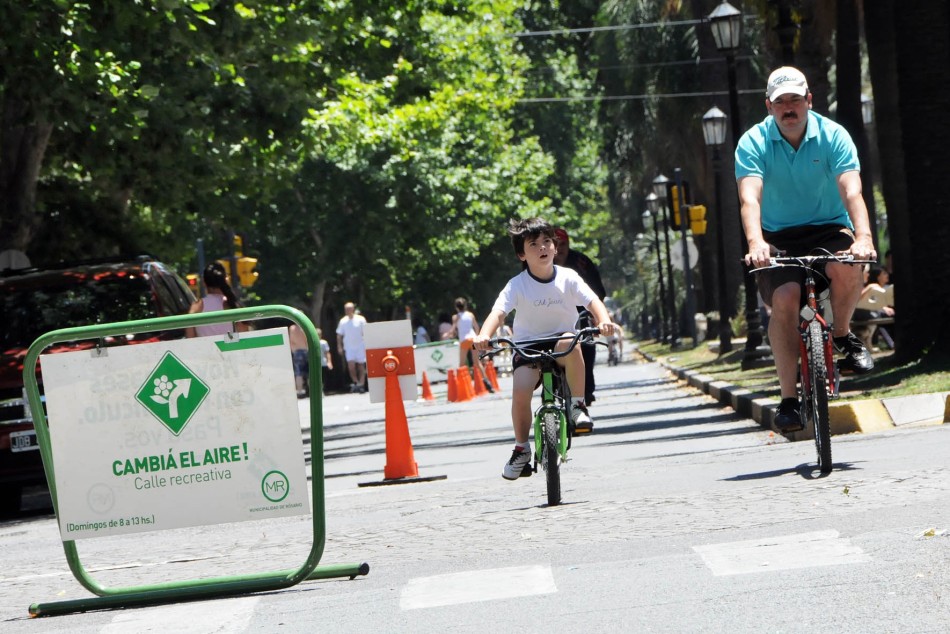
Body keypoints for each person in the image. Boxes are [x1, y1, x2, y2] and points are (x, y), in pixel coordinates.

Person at [736, 66, 876, 434]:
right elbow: (750, 199)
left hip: (829, 227)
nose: (788, 108)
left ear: (809, 100)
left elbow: (852, 191)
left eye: (795, 99)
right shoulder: (752, 142)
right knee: (784, 297)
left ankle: (843, 335)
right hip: (776, 236)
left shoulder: (834, 136)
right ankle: (788, 400)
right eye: (780, 101)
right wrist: (756, 244)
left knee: (848, 267)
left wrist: (863, 237)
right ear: (768, 106)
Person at [474, 217, 615, 480]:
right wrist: (484, 334)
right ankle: (521, 448)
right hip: (528, 346)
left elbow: (592, 300)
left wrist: (604, 320)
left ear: (555, 246)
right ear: (521, 254)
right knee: (521, 387)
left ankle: (577, 407)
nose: (543, 248)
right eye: (534, 244)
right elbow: (498, 313)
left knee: (571, 343)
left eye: (547, 242)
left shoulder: (569, 277)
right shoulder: (517, 284)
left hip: (562, 339)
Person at [553, 228, 606, 406]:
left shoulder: (581, 262)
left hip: (580, 313)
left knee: (587, 344)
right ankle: (551, 388)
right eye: (555, 245)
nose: (559, 250)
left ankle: (585, 391)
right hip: (550, 316)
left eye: (563, 245)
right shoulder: (538, 263)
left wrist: (598, 316)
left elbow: (596, 292)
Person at [185, 262, 249, 338]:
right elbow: (244, 335)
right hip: (229, 348)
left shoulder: (197, 307)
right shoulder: (231, 304)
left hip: (205, 348)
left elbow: (190, 337)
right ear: (225, 280)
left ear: (204, 283)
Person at [451, 297, 493, 393]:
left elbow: (453, 330)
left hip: (464, 340)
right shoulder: (470, 315)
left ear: (456, 307)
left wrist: (450, 334)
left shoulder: (455, 317)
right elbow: (476, 327)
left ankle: (460, 384)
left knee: (462, 363)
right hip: (473, 339)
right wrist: (478, 337)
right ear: (465, 306)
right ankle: (487, 382)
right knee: (476, 362)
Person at [336, 301, 368, 393]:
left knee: (361, 366)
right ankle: (356, 382)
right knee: (351, 366)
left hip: (360, 346)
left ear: (353, 309)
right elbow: (339, 335)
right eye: (346, 309)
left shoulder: (361, 319)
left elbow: (366, 332)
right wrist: (339, 347)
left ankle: (361, 384)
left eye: (349, 308)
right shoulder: (343, 321)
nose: (347, 310)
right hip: (349, 347)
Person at [288, 323, 310, 398]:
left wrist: (293, 350)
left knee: (298, 373)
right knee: (309, 372)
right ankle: (311, 391)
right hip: (305, 350)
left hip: (297, 351)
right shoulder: (304, 327)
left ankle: (300, 392)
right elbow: (307, 339)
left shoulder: (292, 328)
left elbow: (291, 340)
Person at [318, 328, 333, 394]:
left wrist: (329, 362)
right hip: (316, 364)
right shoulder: (310, 342)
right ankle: (319, 390)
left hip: (323, 362)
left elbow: (327, 353)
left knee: (323, 378)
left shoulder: (324, 343)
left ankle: (322, 390)